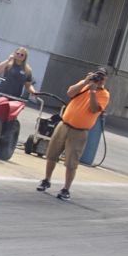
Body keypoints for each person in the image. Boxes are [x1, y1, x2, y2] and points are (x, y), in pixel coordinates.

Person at [37, 69, 109, 201]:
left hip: (79, 131)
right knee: (52, 154)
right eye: (97, 75)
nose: (98, 79)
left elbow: (94, 109)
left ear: (106, 79)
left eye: (102, 77)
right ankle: (46, 179)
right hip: (64, 124)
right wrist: (86, 82)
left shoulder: (104, 94)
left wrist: (93, 91)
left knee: (71, 162)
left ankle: (66, 189)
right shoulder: (84, 84)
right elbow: (70, 93)